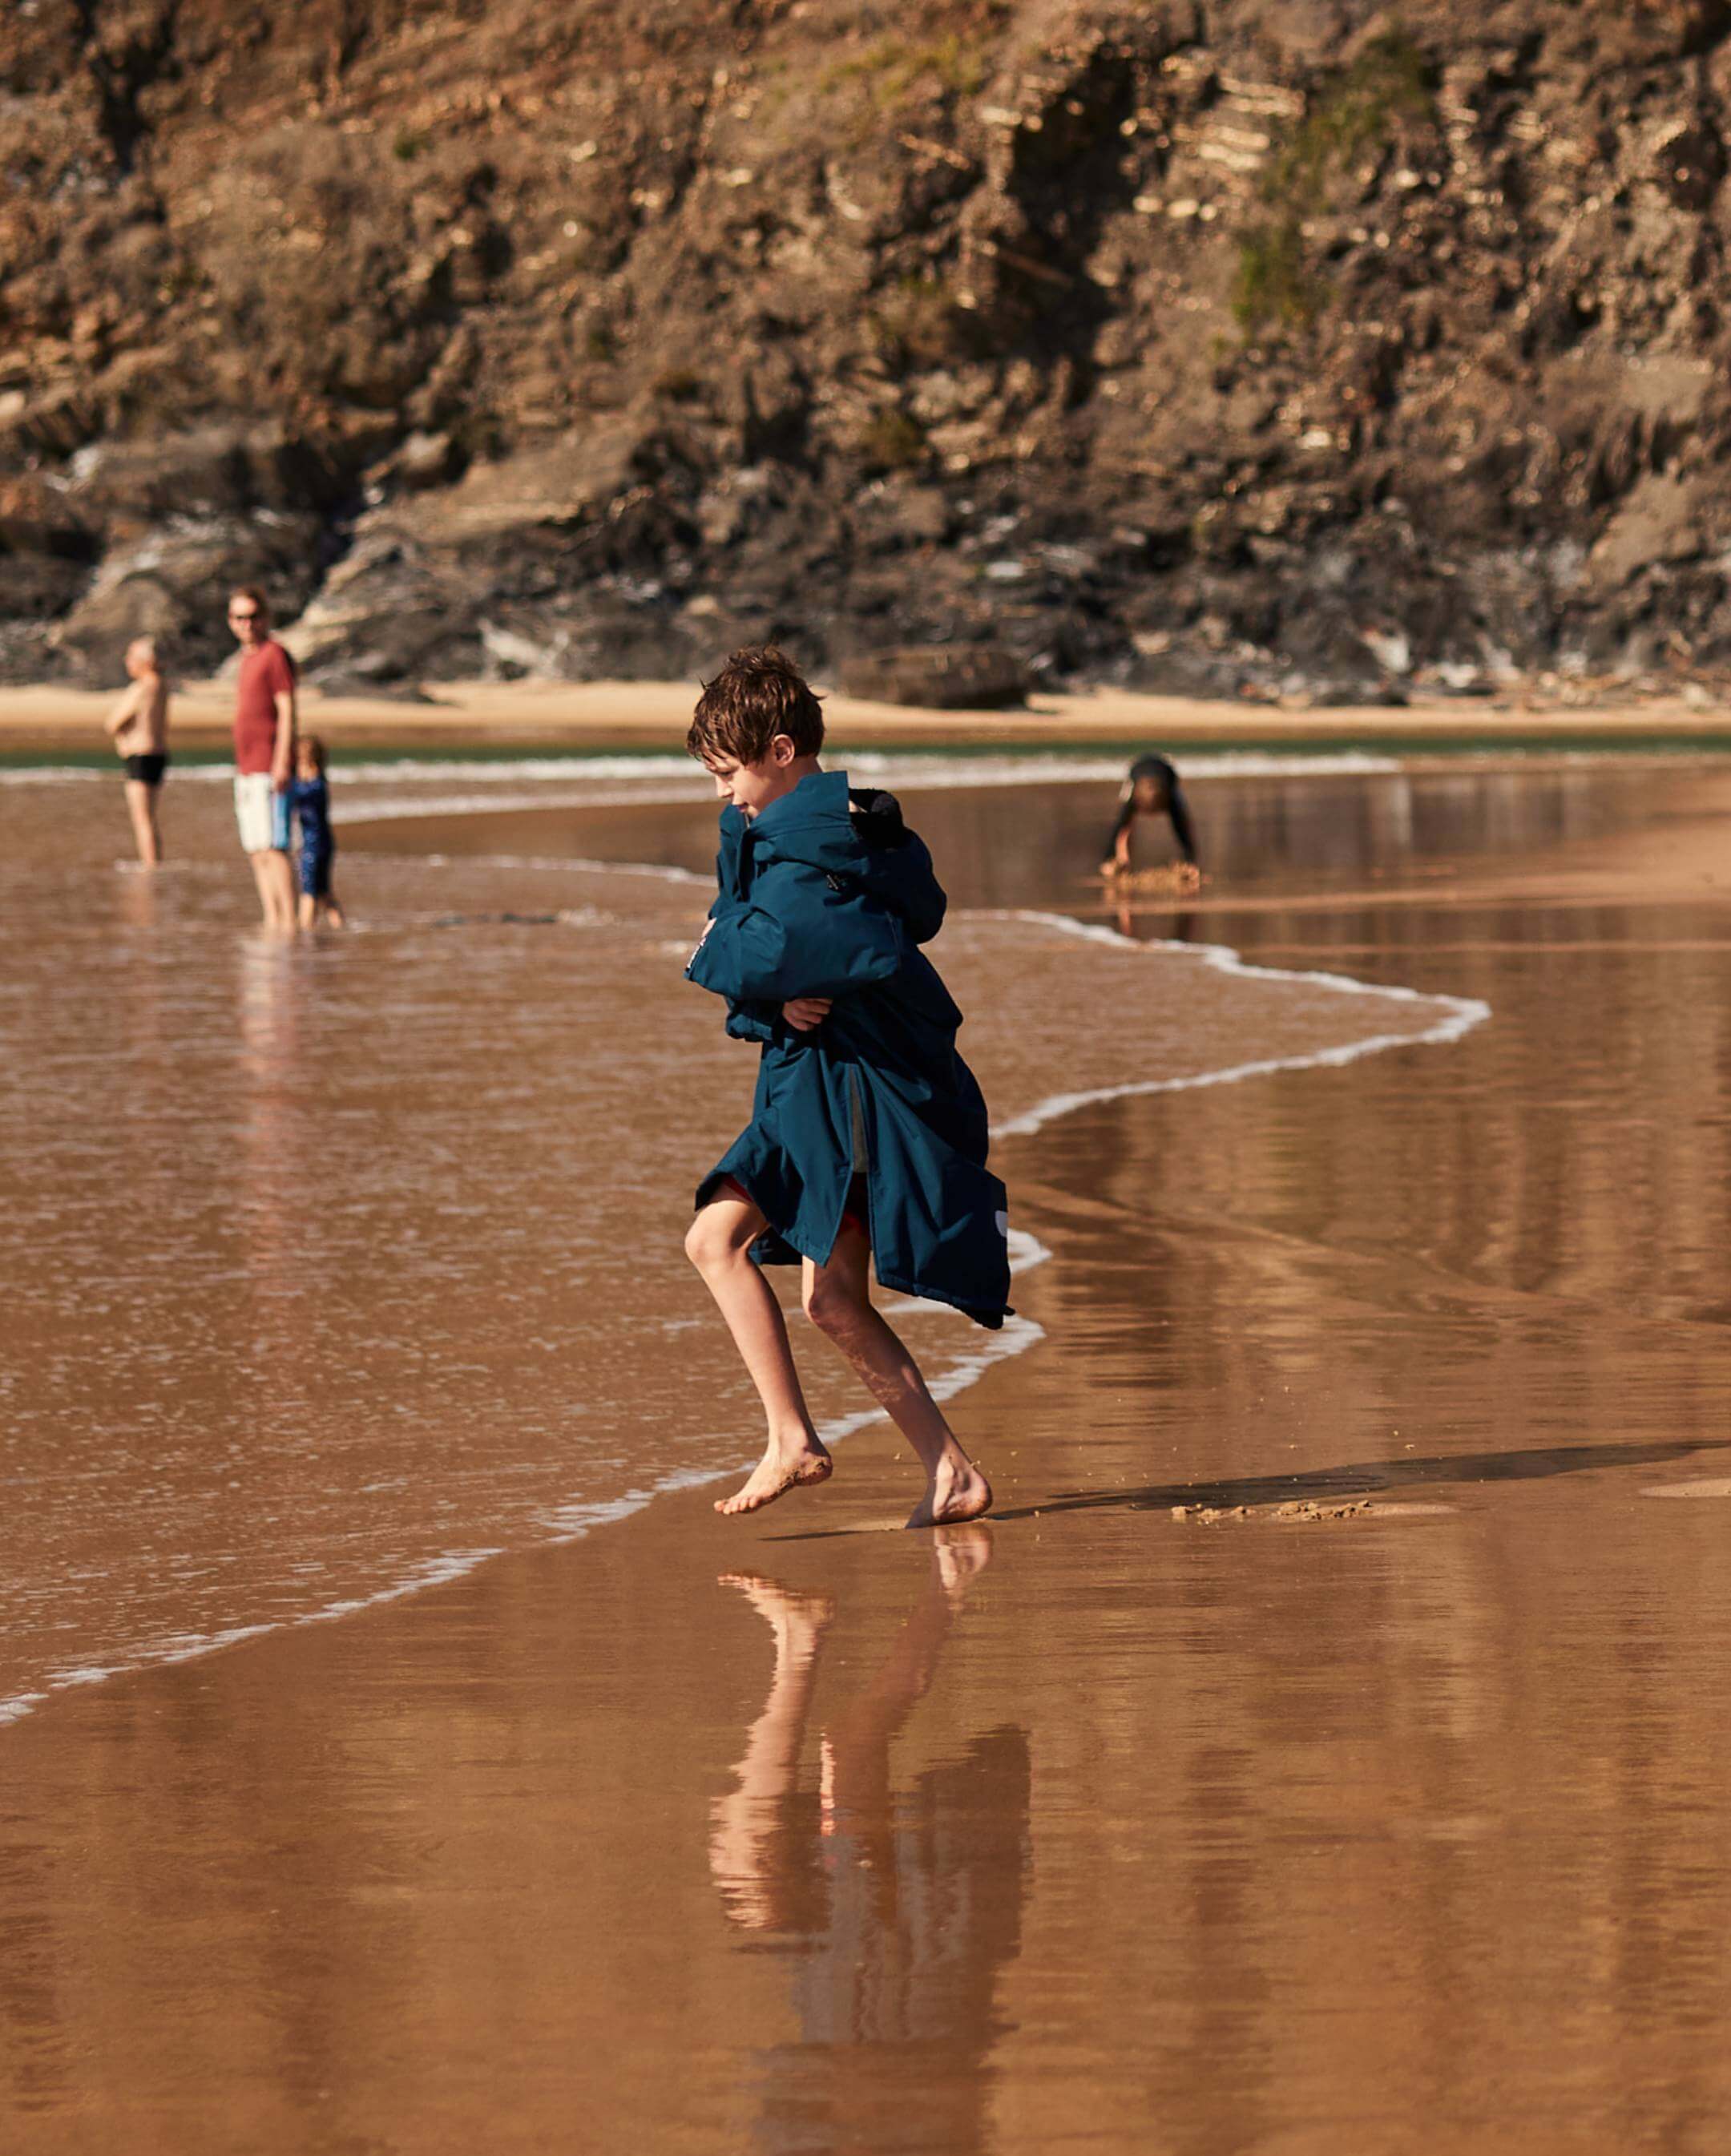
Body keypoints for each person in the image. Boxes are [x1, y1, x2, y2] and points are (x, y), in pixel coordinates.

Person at [682, 646, 1008, 1528]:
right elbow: (768, 965)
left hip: (852, 1098)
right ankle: (939, 1468)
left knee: (731, 1248)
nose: (723, 792)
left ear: (782, 750)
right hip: (810, 1086)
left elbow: (750, 949)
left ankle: (800, 1439)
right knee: (808, 1287)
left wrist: (727, 961)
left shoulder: (818, 848)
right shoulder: (811, 836)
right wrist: (764, 996)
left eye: (729, 771)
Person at [228, 586, 297, 932]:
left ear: (265, 617)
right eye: (240, 617)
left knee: (274, 847)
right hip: (246, 767)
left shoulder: (275, 654)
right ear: (231, 622)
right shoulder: (245, 659)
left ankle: (290, 923)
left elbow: (287, 709)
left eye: (253, 616)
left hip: (270, 766)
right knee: (256, 849)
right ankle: (272, 919)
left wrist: (282, 761)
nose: (247, 624)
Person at [103, 636, 171, 866]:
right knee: (150, 817)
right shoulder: (161, 685)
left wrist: (121, 735)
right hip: (159, 755)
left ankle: (150, 866)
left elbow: (113, 722)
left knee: (142, 818)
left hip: (140, 755)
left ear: (146, 660)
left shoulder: (142, 687)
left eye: (131, 656)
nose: (127, 661)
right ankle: (154, 862)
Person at [1100, 751, 1201, 883]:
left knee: (1181, 820)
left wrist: (1190, 860)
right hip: (1136, 770)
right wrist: (1111, 858)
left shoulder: (1170, 795)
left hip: (1167, 772)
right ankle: (1118, 861)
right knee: (1124, 822)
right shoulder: (1132, 796)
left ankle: (1190, 861)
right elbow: (1120, 829)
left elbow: (1183, 827)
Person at [288, 735, 345, 931]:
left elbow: (298, 796)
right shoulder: (319, 783)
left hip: (314, 845)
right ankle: (340, 926)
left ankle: (305, 934)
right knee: (323, 892)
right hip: (323, 843)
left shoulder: (314, 786)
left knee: (309, 891)